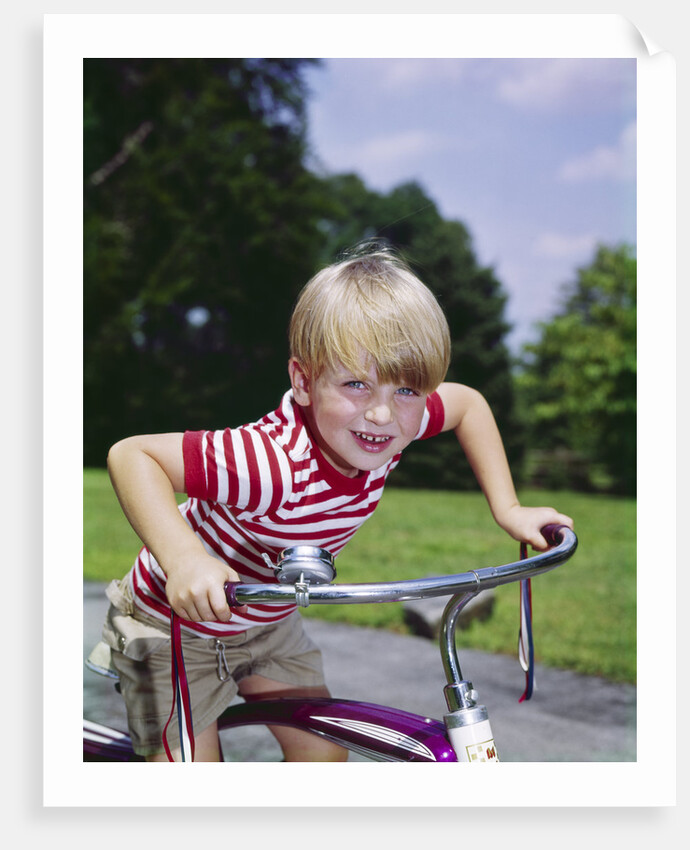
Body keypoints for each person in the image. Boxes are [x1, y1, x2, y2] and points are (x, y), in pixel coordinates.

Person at [102, 242, 573, 762]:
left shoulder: (394, 425)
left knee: (325, 756)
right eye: (355, 384)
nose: (381, 415)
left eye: (407, 390)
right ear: (304, 381)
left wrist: (508, 508)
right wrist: (185, 560)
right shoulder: (270, 463)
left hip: (266, 620)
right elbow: (132, 456)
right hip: (172, 628)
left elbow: (468, 404)